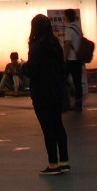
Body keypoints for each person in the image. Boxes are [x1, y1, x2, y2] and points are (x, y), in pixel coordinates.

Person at [26, 14, 69, 174]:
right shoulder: (55, 43)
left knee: (47, 128)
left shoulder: (36, 46)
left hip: (42, 92)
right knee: (58, 125)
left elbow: (33, 70)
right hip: (57, 90)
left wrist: (23, 68)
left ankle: (53, 164)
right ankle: (65, 161)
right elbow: (61, 67)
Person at [60, 8, 87, 110]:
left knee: (62, 79)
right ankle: (78, 103)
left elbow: (67, 46)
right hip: (78, 59)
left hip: (70, 60)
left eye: (64, 16)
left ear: (67, 17)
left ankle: (66, 101)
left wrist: (64, 59)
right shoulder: (78, 28)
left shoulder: (69, 29)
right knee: (77, 82)